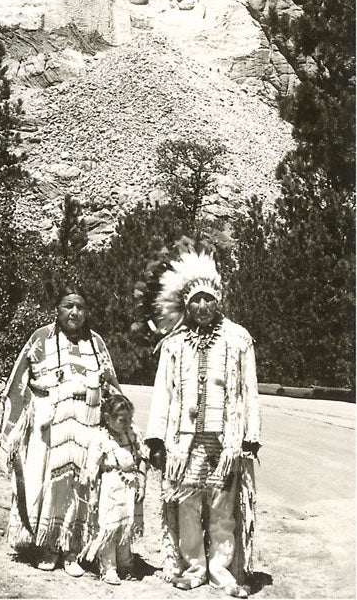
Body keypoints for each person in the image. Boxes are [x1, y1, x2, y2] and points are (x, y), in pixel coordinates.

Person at [145, 249, 261, 598]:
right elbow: (163, 392)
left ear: (218, 300)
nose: (203, 307)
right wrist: (156, 438)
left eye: (209, 299)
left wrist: (250, 434)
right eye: (196, 300)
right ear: (186, 304)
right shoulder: (174, 343)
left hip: (225, 443)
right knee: (187, 506)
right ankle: (193, 568)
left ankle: (222, 572)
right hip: (184, 443)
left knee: (223, 510)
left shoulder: (238, 339)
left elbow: (249, 389)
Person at [0, 284, 122, 577]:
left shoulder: (96, 343)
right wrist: (13, 429)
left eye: (80, 307)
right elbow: (18, 382)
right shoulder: (41, 338)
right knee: (49, 483)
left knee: (80, 485)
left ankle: (72, 550)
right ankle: (48, 546)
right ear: (57, 309)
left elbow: (111, 385)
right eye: (68, 306)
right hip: (48, 425)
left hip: (86, 424)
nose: (74, 312)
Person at [80, 394, 149, 585]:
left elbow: (143, 458)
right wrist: (93, 496)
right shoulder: (101, 439)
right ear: (107, 417)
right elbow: (92, 470)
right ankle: (108, 567)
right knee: (110, 526)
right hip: (111, 485)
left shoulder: (133, 434)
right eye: (121, 420)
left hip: (131, 485)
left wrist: (142, 484)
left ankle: (126, 564)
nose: (127, 423)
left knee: (127, 525)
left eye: (130, 419)